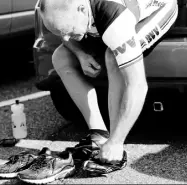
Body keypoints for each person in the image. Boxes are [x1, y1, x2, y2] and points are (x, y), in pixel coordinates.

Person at [39, 0, 178, 173]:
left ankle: (114, 147)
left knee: (112, 58)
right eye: (60, 32)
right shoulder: (57, 7)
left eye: (67, 31)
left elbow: (137, 85)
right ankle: (99, 135)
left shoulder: (115, 17)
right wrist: (80, 54)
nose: (65, 38)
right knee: (60, 58)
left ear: (82, 9)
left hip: (158, 7)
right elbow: (63, 31)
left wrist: (116, 142)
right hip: (100, 20)